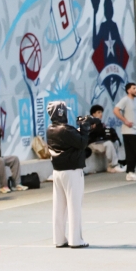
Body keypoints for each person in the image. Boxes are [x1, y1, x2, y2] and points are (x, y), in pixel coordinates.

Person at [46, 102, 89, 249]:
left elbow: (72, 139)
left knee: (59, 207)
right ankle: (76, 239)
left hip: (58, 171)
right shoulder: (66, 129)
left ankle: (59, 239)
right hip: (72, 171)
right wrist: (84, 128)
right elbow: (82, 143)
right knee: (74, 205)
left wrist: (80, 129)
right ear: (61, 113)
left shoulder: (50, 129)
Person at [114, 82, 136, 181]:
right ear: (128, 90)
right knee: (131, 152)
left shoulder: (135, 100)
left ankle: (131, 172)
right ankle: (130, 172)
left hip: (135, 130)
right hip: (128, 131)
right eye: (134, 88)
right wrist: (125, 121)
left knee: (135, 152)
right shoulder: (125, 100)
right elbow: (116, 110)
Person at [87, 105, 125, 174]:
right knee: (108, 144)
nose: (101, 114)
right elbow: (91, 136)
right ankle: (114, 165)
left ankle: (111, 166)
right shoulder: (89, 123)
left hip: (100, 143)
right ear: (93, 114)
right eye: (98, 112)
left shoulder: (101, 124)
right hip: (92, 144)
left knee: (114, 143)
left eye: (101, 112)